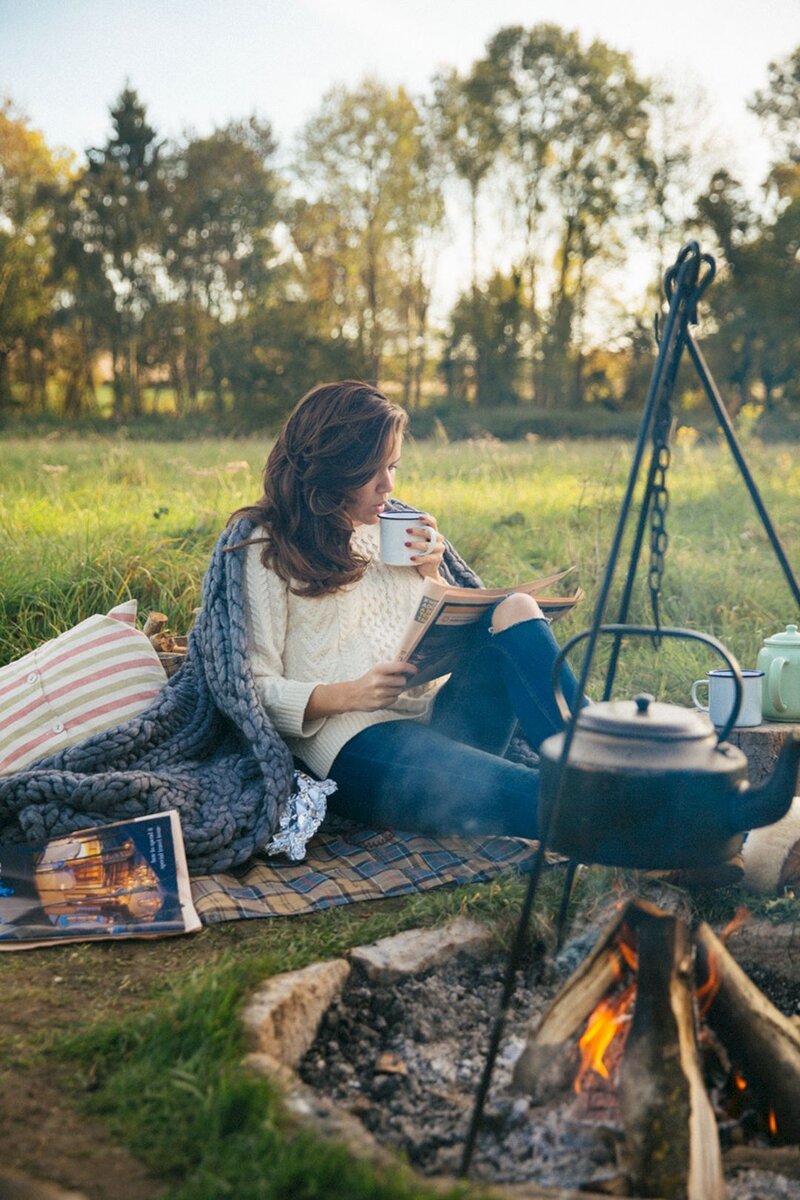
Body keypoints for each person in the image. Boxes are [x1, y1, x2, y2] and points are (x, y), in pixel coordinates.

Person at [228, 380, 584, 841]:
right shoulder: (265, 546)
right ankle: (644, 812)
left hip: (439, 721)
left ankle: (605, 763)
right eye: (372, 470)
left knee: (516, 608)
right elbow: (252, 690)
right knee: (539, 797)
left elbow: (431, 629)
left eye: (392, 466)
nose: (388, 485)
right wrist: (349, 694)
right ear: (333, 468)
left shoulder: (393, 527)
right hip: (357, 744)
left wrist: (431, 576)